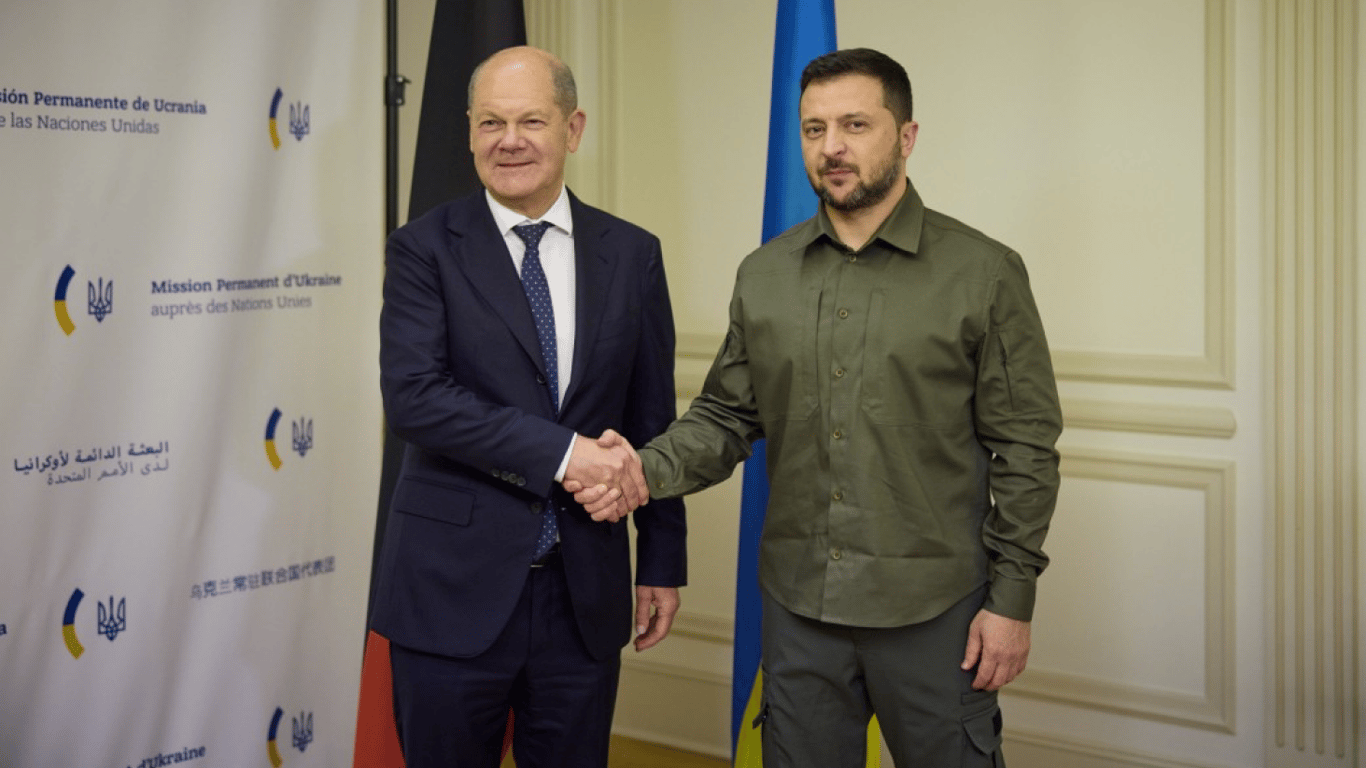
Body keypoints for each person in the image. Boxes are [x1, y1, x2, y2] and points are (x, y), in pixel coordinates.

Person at [574, 47, 1061, 767]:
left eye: (855, 125)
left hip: (937, 613)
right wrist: (638, 471)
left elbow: (1025, 449)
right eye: (813, 129)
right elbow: (726, 417)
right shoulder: (765, 274)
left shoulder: (984, 272)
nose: (831, 147)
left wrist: (1011, 601)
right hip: (799, 611)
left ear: (907, 136)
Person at [370, 46, 686, 768]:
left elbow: (652, 421)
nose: (508, 140)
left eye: (531, 121)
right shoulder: (423, 249)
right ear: (469, 132)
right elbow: (416, 400)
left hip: (583, 597)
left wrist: (661, 560)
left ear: (573, 128)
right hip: (450, 594)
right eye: (491, 122)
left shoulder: (632, 253)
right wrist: (566, 454)